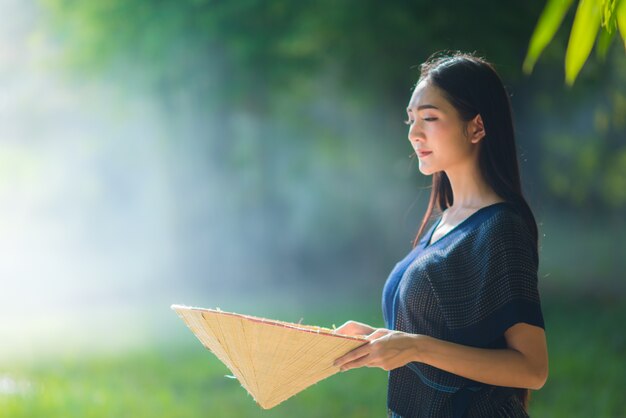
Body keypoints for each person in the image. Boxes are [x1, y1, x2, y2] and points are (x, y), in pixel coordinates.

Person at [333, 52, 548, 418]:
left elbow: (532, 368)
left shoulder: (501, 227)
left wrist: (415, 347)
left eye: (430, 118)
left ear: (477, 127)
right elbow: (441, 334)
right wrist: (381, 341)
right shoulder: (445, 221)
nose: (414, 133)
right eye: (411, 119)